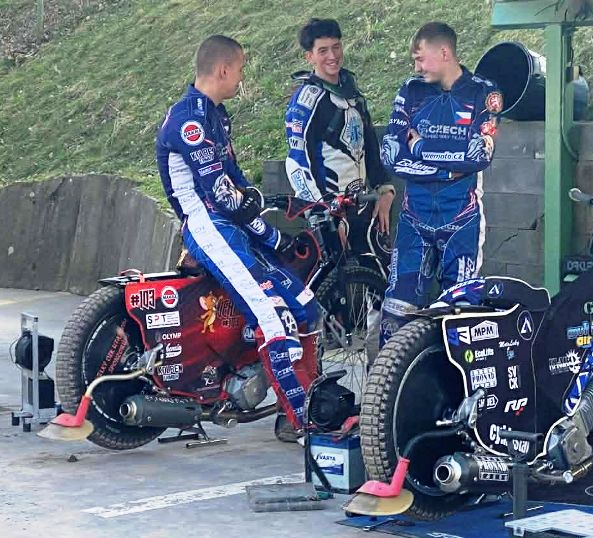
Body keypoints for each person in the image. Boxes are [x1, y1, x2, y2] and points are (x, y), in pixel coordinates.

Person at [155, 35, 318, 443]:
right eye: (241, 69)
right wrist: (270, 234)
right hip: (207, 225)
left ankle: (310, 402)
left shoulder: (216, 114)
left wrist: (262, 214)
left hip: (229, 223)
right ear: (223, 69)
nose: (242, 77)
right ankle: (306, 424)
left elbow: (236, 182)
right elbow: (221, 193)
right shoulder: (189, 121)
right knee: (274, 316)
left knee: (305, 308)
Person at [380, 22, 503, 344]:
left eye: (420, 58)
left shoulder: (484, 92)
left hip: (461, 219)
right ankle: (385, 377)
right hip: (414, 218)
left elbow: (479, 156)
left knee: (461, 311)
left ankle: (453, 376)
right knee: (397, 308)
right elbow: (391, 155)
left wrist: (420, 148)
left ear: (444, 53)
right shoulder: (411, 90)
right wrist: (448, 169)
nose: (416, 67)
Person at [285, 18, 395, 261]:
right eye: (323, 50)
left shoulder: (353, 93)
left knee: (378, 275)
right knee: (339, 281)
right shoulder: (306, 101)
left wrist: (385, 189)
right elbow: (297, 163)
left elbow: (369, 145)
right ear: (309, 57)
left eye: (336, 47)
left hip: (364, 207)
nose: (332, 56)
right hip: (331, 213)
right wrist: (323, 216)